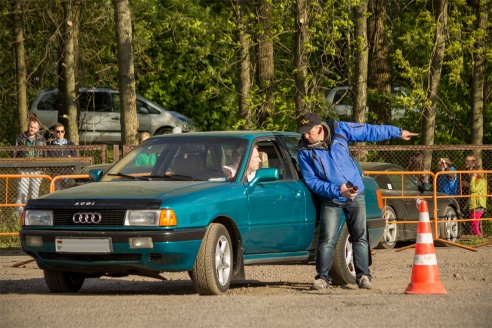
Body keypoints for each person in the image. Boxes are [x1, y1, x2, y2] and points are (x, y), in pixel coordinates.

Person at [297, 112, 418, 290]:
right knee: (327, 238)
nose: (306, 136)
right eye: (303, 132)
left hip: (355, 195)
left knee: (360, 236)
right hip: (332, 198)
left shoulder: (340, 130)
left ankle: (363, 277)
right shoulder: (304, 151)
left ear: (319, 128)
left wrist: (397, 132)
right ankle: (322, 278)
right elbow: (312, 181)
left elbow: (369, 131)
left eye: (309, 131)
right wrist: (337, 190)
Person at [13, 118, 47, 209]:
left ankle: (33, 214)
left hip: (37, 170)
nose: (32, 129)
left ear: (38, 129)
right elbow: (13, 154)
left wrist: (43, 170)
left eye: (34, 128)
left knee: (34, 195)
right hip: (23, 170)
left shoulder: (42, 140)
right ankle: (18, 217)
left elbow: (45, 156)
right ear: (28, 126)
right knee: (22, 194)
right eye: (31, 127)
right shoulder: (19, 137)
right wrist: (17, 169)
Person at [47, 123, 77, 190]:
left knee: (69, 191)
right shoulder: (51, 146)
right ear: (54, 132)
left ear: (64, 132)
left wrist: (70, 159)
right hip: (56, 173)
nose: (60, 133)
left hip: (69, 172)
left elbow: (75, 157)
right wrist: (68, 157)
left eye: (62, 131)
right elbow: (53, 158)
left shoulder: (71, 144)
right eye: (58, 131)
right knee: (58, 192)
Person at [469, 163, 486, 237]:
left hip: (478, 204)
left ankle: (479, 235)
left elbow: (473, 189)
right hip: (474, 204)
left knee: (475, 222)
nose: (472, 174)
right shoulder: (476, 180)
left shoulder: (481, 181)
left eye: (474, 172)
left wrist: (472, 178)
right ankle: (477, 235)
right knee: (473, 222)